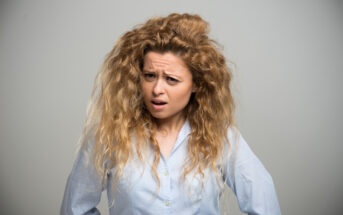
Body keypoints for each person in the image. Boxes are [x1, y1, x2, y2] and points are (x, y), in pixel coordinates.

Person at [61, 13, 281, 215]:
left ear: (196, 84)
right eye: (149, 76)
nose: (157, 89)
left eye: (171, 79)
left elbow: (265, 205)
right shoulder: (110, 136)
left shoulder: (222, 138)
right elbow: (75, 208)